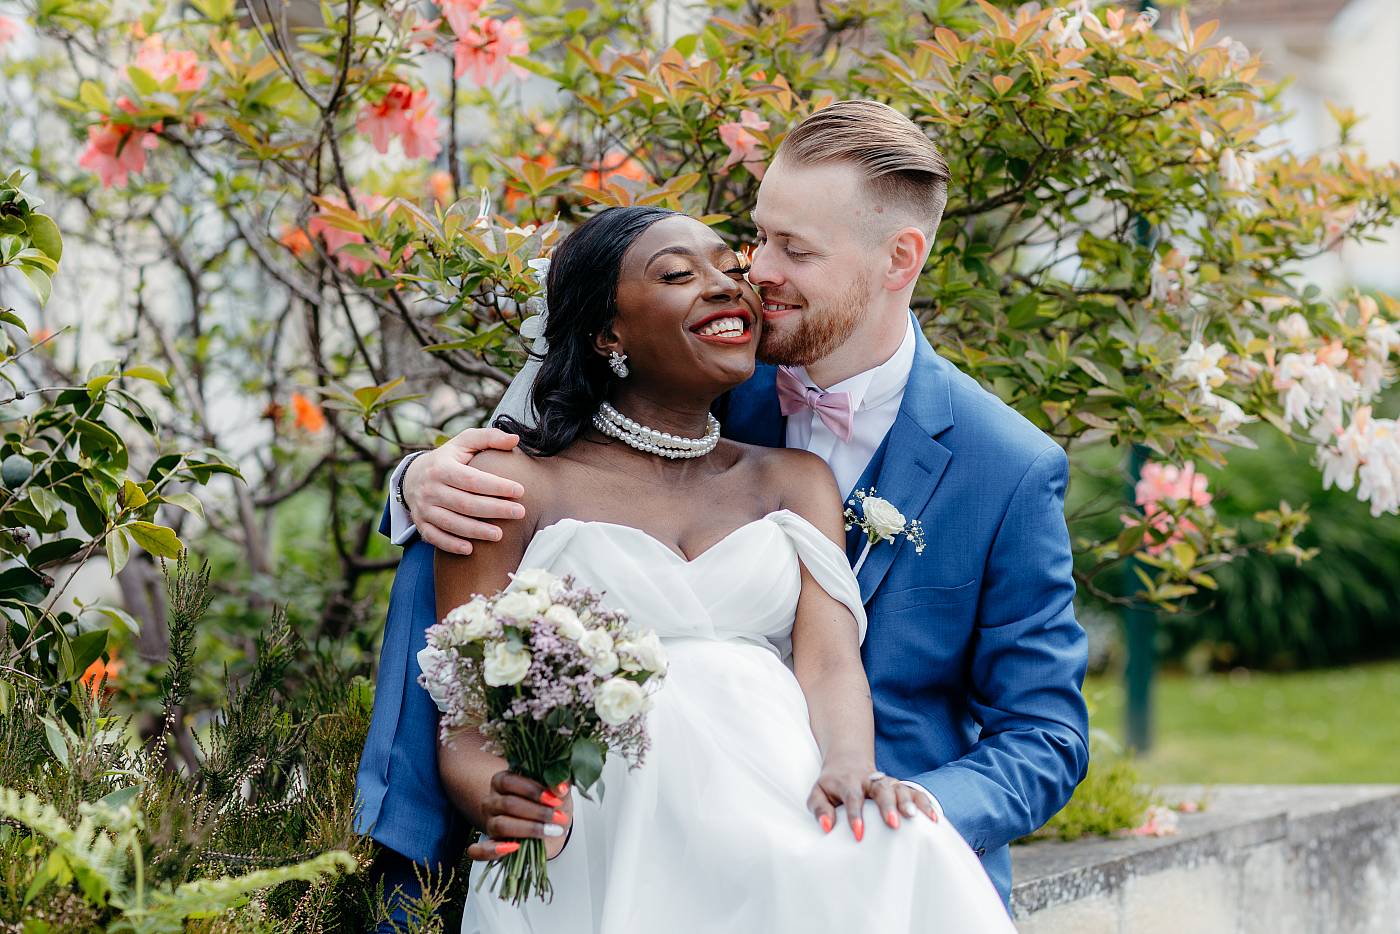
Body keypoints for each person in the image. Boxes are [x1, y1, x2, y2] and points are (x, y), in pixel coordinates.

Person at [356, 100, 1089, 926]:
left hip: (842, 839)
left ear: (900, 257)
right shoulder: (692, 372)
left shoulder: (1008, 468)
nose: (756, 271)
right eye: (761, 235)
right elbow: (524, 472)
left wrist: (888, 822)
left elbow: (1047, 734)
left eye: (795, 250)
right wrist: (417, 478)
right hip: (613, 831)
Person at [433, 204, 1016, 932]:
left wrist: (849, 766)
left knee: (912, 857)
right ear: (607, 331)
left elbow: (830, 664)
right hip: (601, 828)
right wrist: (496, 790)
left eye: (731, 268)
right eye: (679, 275)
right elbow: (463, 715)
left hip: (781, 800)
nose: (725, 286)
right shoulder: (509, 485)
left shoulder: (795, 480)